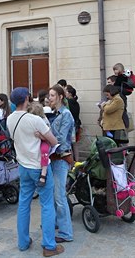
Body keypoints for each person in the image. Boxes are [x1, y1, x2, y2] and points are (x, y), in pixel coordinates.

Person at [6, 88, 63, 257]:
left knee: (24, 204)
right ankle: (49, 245)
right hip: (39, 167)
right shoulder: (34, 120)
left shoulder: (9, 119)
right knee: (46, 205)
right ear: (26, 99)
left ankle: (23, 242)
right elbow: (54, 141)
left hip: (23, 166)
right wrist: (43, 137)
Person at [48, 85, 75, 244]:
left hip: (61, 159)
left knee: (59, 197)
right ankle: (57, 223)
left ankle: (66, 233)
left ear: (59, 97)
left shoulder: (66, 114)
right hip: (54, 159)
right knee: (54, 194)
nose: (49, 98)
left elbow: (62, 140)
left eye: (52, 95)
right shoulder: (55, 114)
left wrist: (45, 134)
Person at [27, 102, 52, 186]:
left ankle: (43, 173)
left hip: (44, 141)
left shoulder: (44, 120)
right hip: (36, 141)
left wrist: (41, 136)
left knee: (44, 151)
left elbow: (49, 135)